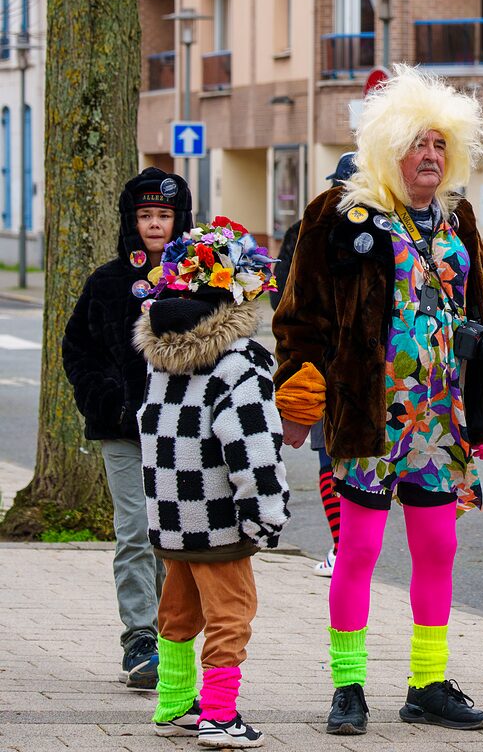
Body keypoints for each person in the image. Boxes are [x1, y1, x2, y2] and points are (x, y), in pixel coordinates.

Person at [272, 64, 483, 735]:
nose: (429, 155)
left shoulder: (457, 218)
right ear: (388, 148)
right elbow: (300, 315)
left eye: (439, 144)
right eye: (417, 143)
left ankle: (426, 683)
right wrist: (300, 380)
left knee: (437, 547)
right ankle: (347, 686)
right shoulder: (341, 214)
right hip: (369, 411)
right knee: (360, 549)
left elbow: (479, 309)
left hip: (439, 415)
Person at [132, 216, 290, 747]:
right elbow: (253, 447)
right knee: (232, 612)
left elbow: (152, 428)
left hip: (171, 516)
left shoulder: (160, 358)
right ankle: (221, 715)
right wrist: (266, 515)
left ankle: (175, 701)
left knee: (176, 609)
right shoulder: (238, 363)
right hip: (220, 516)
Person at [62, 167, 192, 689]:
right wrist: (107, 400)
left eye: (163, 215)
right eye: (145, 216)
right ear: (130, 220)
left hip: (180, 433)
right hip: (122, 430)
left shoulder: (202, 281)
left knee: (174, 535)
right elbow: (79, 350)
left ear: (178, 220)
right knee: (135, 531)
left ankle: (171, 633)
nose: (154, 225)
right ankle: (139, 636)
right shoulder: (108, 282)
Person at [270, 152, 357, 577]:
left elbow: (283, 298)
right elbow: (287, 299)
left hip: (330, 366)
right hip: (322, 367)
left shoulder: (309, 228)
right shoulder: (309, 228)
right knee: (330, 460)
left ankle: (345, 547)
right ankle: (343, 546)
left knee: (337, 463)